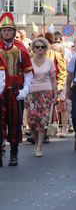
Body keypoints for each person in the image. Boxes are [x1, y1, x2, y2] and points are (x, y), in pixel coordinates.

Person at [0, 12, 34, 166]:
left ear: (14, 32)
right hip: (0, 93)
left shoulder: (20, 49)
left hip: (14, 92)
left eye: (9, 30)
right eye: (4, 30)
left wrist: (25, 90)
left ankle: (14, 154)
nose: (6, 33)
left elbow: (28, 72)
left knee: (14, 124)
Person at [25, 38, 57, 157]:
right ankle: (36, 142)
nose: (40, 49)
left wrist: (55, 95)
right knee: (32, 121)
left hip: (46, 93)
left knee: (43, 121)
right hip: (32, 93)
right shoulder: (29, 61)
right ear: (33, 48)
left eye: (42, 47)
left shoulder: (49, 62)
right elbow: (25, 78)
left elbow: (53, 79)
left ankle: (39, 147)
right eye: (37, 47)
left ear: (45, 49)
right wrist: (24, 94)